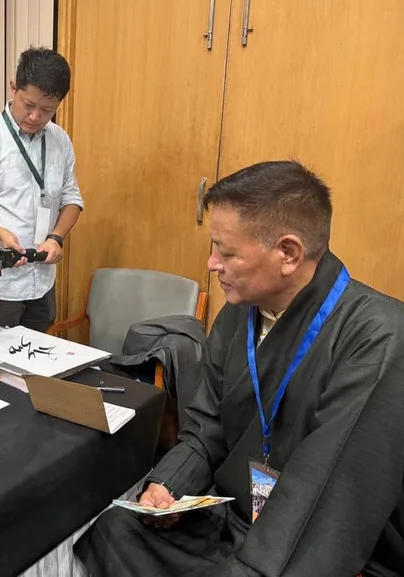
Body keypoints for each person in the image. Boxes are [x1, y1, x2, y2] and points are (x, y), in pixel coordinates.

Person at [75, 161, 404, 577]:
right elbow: (207, 425)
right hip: (237, 516)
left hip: (311, 541)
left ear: (288, 253)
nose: (211, 264)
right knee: (117, 528)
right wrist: (171, 484)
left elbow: (331, 498)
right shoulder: (239, 313)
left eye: (226, 252)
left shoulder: (377, 336)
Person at [0, 47, 84, 333]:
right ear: (14, 88)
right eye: (28, 104)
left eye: (47, 110)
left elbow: (72, 200)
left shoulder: (61, 141)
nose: (35, 116)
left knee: (36, 363)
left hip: (43, 279)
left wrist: (56, 238)